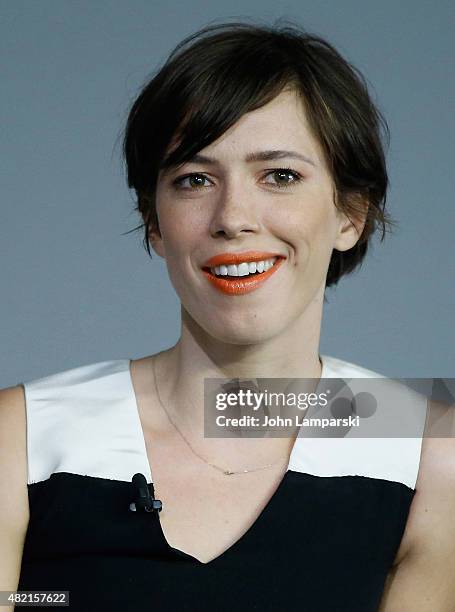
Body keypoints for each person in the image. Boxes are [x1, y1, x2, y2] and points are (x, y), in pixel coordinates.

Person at [1, 20, 454, 612]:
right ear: (155, 222)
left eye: (280, 176)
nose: (233, 217)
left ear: (351, 214)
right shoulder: (24, 437)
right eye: (194, 179)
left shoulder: (429, 455)